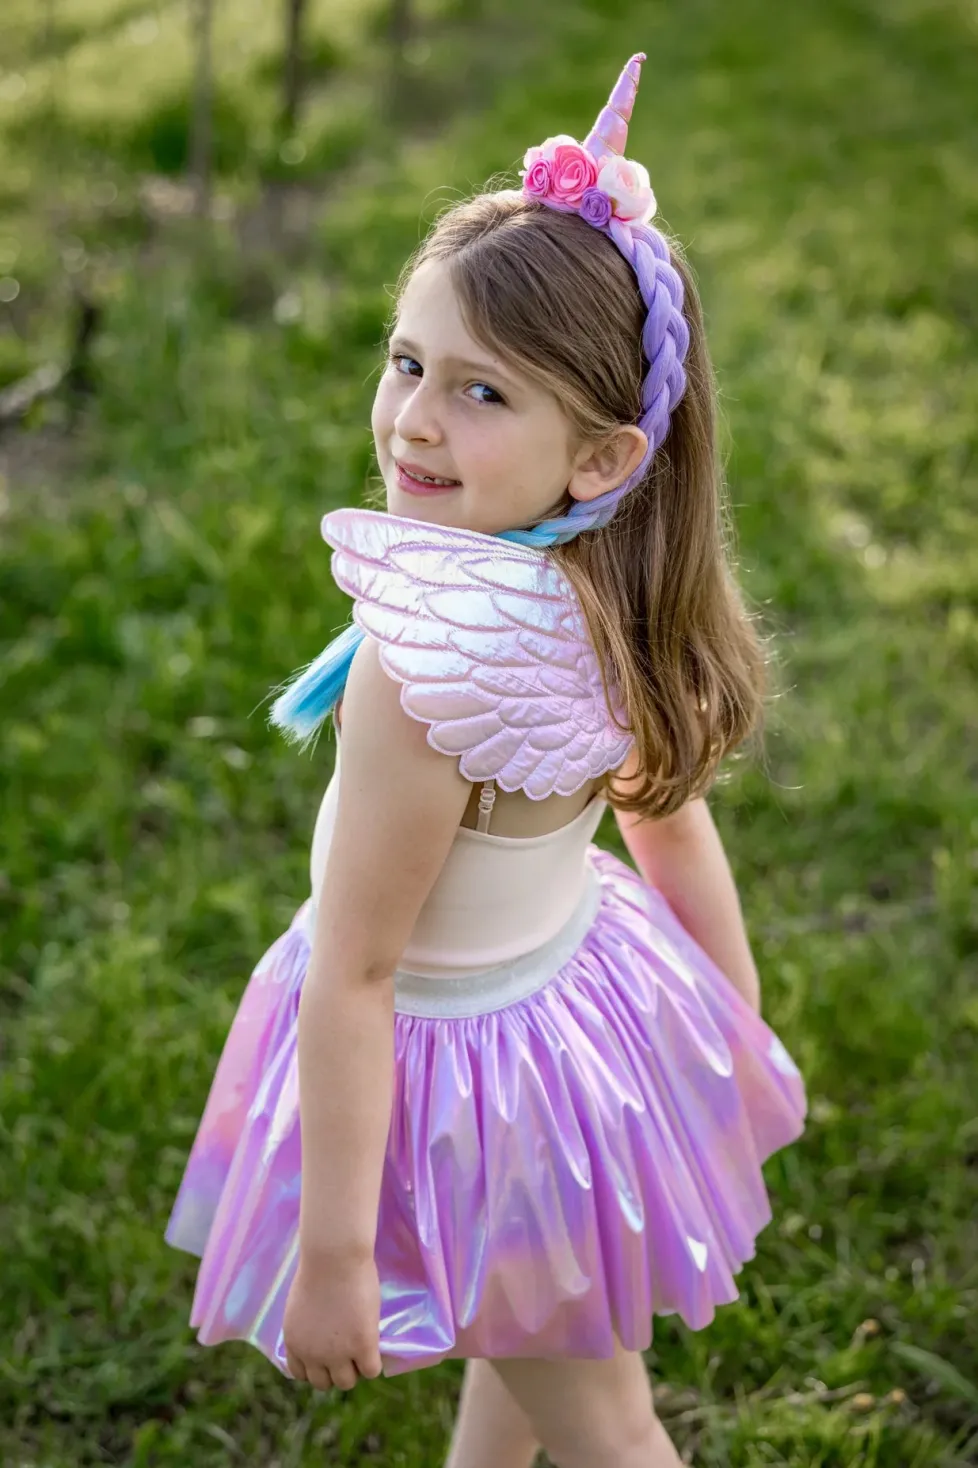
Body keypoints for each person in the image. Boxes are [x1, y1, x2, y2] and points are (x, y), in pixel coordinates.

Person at [165, 53, 807, 1468]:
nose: (414, 419)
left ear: (600, 457)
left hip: (470, 1089)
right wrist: (727, 1014)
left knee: (609, 1427)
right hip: (577, 1018)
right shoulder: (608, 586)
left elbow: (359, 969)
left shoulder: (422, 669)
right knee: (533, 1345)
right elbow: (666, 820)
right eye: (407, 363)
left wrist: (335, 1254)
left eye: (479, 393)